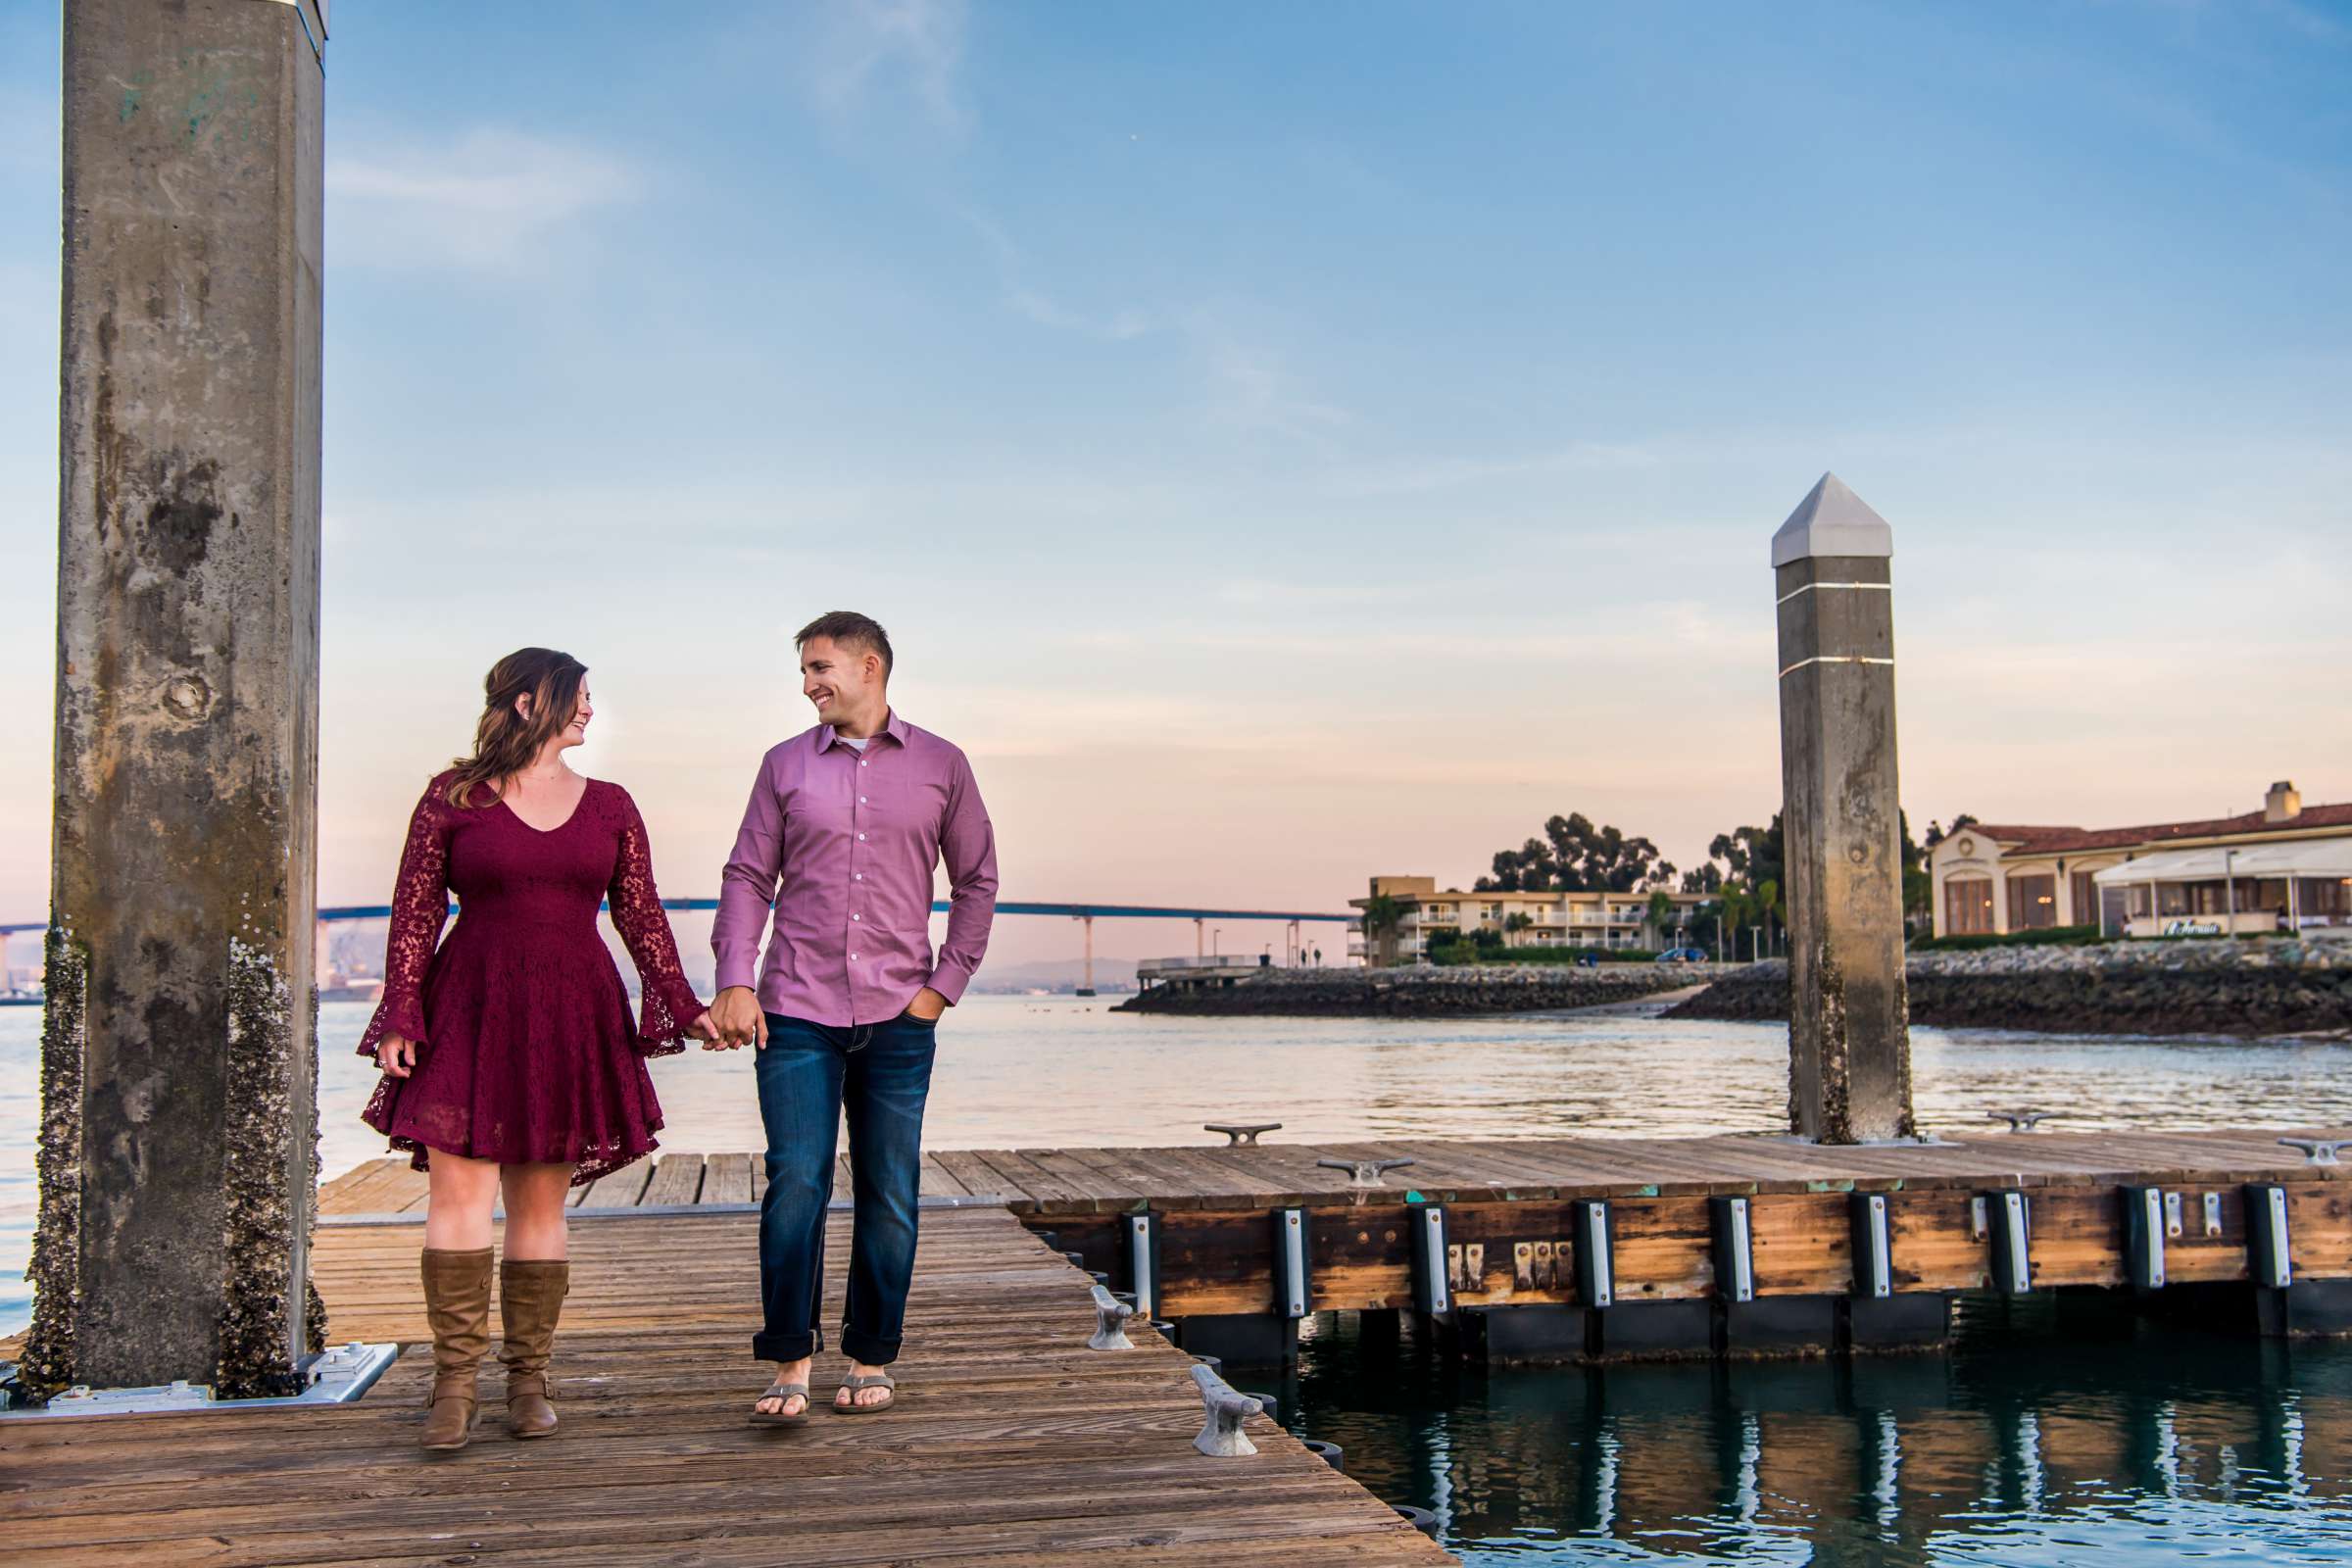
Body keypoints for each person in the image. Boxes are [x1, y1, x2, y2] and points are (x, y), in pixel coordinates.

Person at [359, 648, 714, 1452]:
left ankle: (528, 1380)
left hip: (572, 1011)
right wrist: (400, 1015)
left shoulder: (612, 805)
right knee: (457, 1195)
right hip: (470, 1008)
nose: (590, 711)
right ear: (527, 704)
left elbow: (643, 918)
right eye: (577, 697)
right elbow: (413, 915)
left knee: (540, 1204)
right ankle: (453, 1385)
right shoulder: (451, 798)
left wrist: (684, 1006)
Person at [710, 612, 998, 1423]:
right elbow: (745, 876)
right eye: (803, 671)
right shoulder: (783, 766)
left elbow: (976, 880)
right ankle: (790, 1360)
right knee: (796, 1182)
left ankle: (871, 1355)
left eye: (820, 667)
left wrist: (944, 984)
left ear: (870, 667)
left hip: (901, 1014)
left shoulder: (943, 764)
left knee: (889, 1189)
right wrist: (736, 976)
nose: (808, 685)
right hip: (795, 1008)